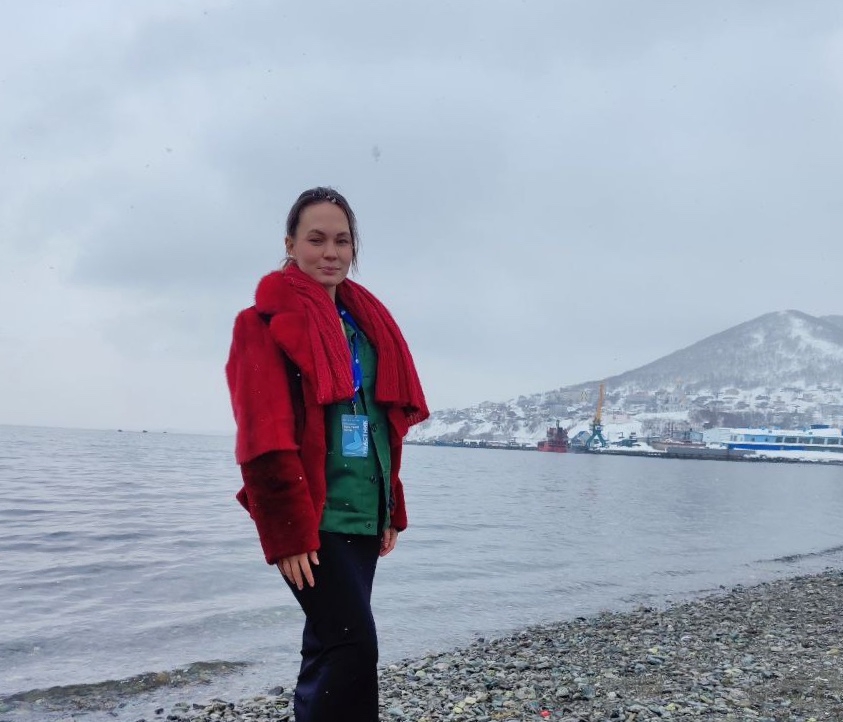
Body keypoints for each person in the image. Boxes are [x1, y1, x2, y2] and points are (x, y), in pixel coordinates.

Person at [225, 187, 428, 722]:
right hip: (313, 517)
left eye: (342, 240)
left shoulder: (367, 324)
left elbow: (381, 423)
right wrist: (287, 531)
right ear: (290, 244)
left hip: (363, 512)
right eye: (316, 239)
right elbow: (262, 436)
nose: (330, 252)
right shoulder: (261, 323)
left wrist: (391, 506)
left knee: (327, 647)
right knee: (353, 647)